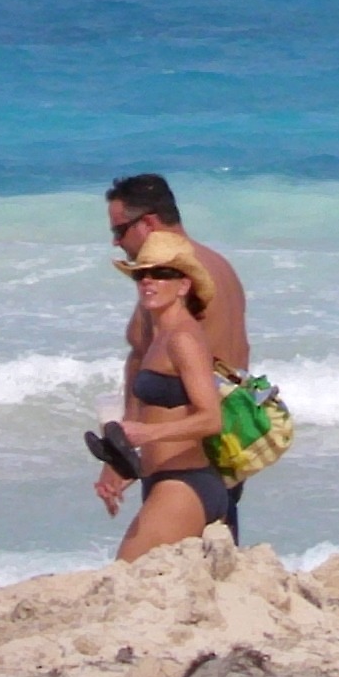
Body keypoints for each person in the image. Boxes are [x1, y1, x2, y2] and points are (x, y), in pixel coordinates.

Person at [93, 177, 249, 531]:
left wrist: (124, 450)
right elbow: (236, 360)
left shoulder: (170, 292)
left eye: (119, 230)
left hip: (183, 465)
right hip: (224, 456)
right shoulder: (220, 268)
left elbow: (144, 364)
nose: (116, 242)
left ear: (147, 223)